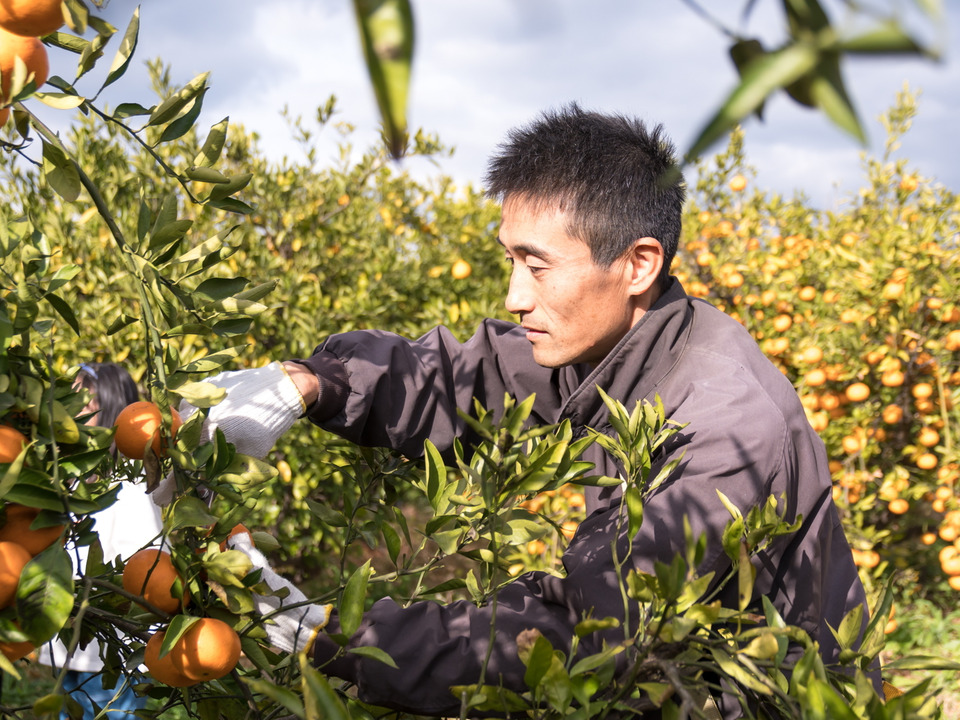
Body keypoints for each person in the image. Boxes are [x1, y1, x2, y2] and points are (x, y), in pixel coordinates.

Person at [179, 105, 876, 717]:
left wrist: (330, 631)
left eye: (536, 266)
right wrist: (308, 383)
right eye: (510, 259)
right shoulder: (615, 344)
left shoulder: (725, 427)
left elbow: (587, 642)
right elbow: (468, 374)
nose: (514, 296)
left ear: (638, 264)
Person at [39, 362, 165, 719]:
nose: (73, 411)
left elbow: (145, 561)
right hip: (76, 637)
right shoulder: (75, 479)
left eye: (83, 401)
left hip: (116, 645)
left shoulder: (136, 484)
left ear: (109, 407)